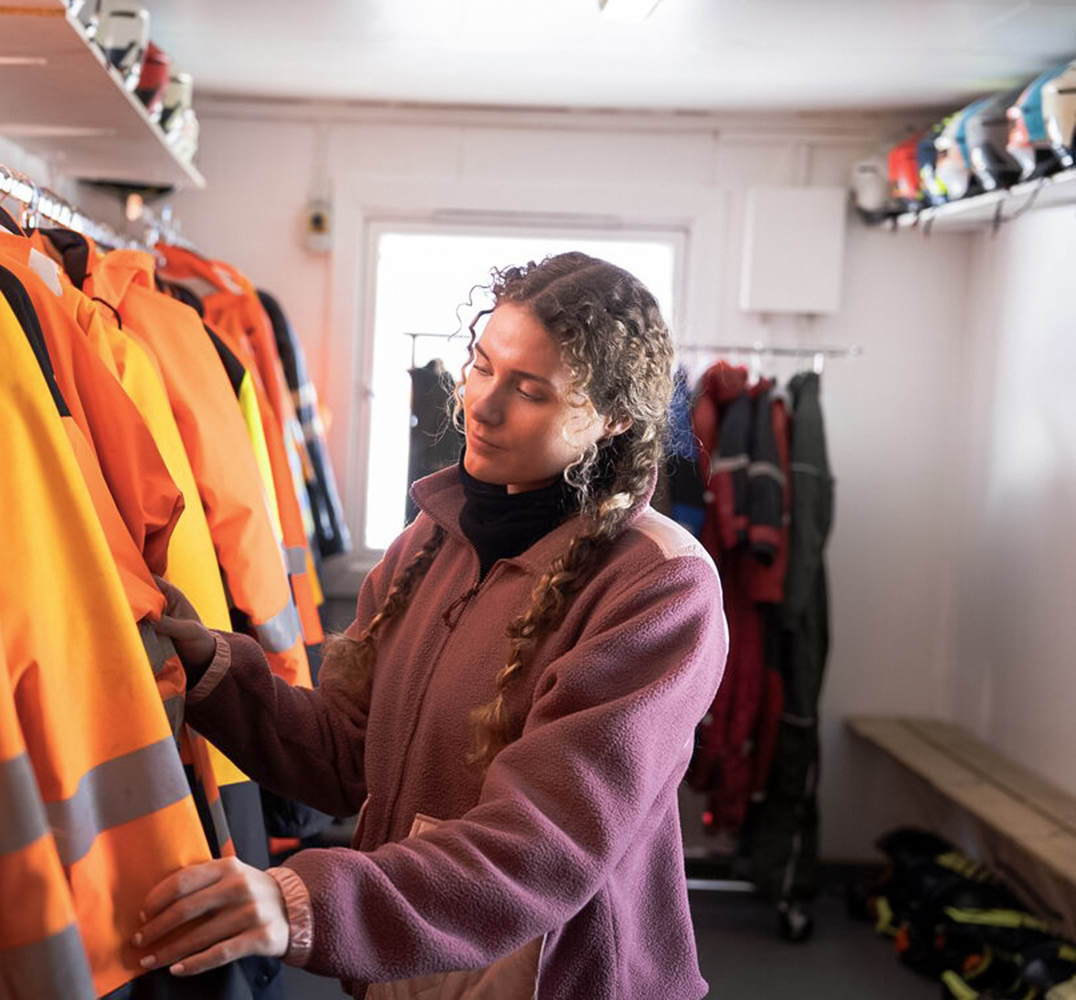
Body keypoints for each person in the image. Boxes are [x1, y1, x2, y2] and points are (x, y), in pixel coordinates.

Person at [138, 253, 727, 999]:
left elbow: (542, 844)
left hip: (556, 982)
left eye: (530, 390)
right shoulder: (432, 539)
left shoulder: (659, 585)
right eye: (481, 366)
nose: (480, 404)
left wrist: (305, 900)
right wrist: (215, 671)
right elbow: (349, 753)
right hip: (409, 973)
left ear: (609, 420)